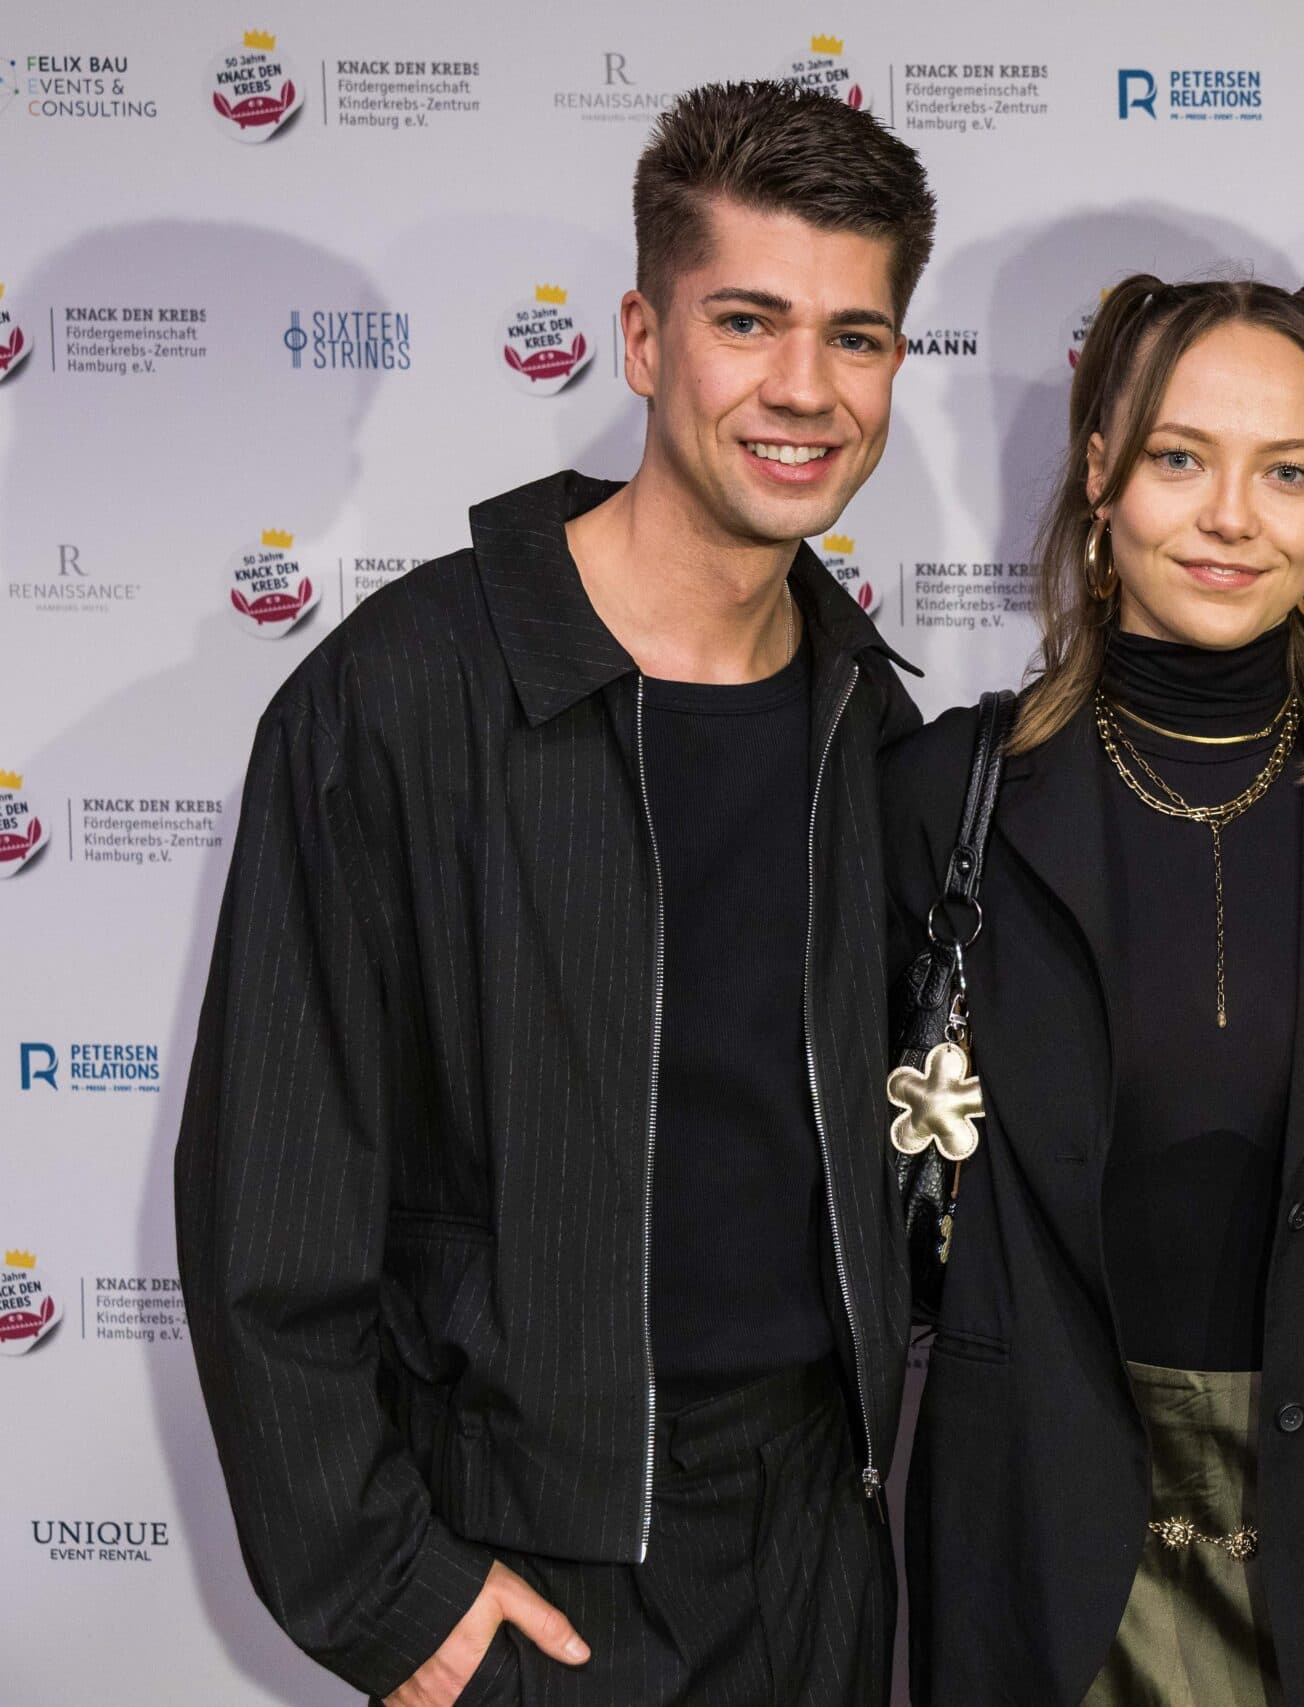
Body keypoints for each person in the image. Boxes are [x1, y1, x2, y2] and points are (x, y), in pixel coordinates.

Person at [173, 81, 932, 1707]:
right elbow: (270, 1215)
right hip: (535, 1577)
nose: (805, 390)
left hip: (825, 1553)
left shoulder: (878, 729)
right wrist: (392, 1593)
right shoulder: (397, 702)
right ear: (645, 341)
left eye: (856, 337)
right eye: (749, 320)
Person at [884, 275, 1304, 1706]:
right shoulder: (941, 801)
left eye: (1288, 471)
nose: (1233, 517)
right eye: (1180, 457)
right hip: (1044, 1553)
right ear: (1099, 476)